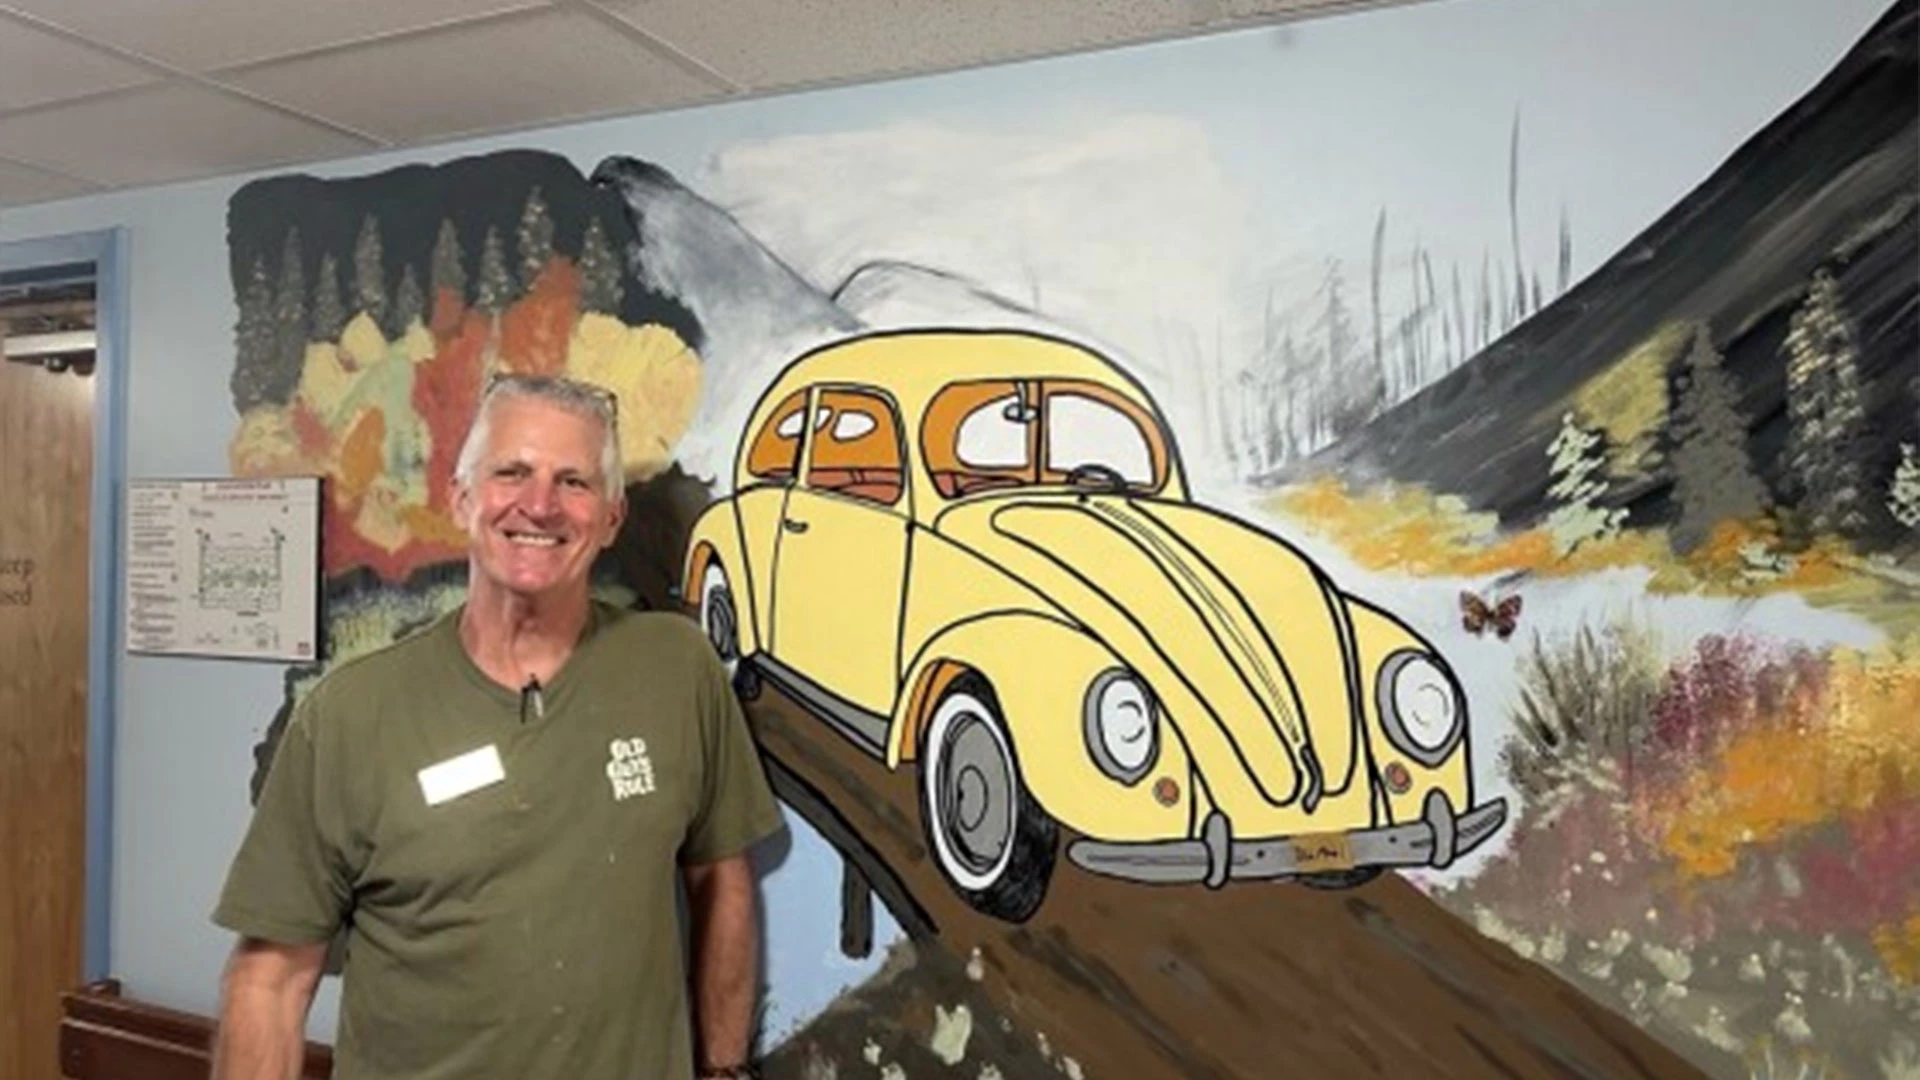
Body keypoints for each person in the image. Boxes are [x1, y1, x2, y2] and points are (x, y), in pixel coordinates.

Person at [209, 373, 783, 1080]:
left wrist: (724, 1070)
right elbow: (269, 980)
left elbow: (722, 878)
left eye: (573, 481)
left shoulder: (677, 669)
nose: (539, 505)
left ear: (610, 518)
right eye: (511, 472)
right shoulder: (350, 717)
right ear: (461, 498)